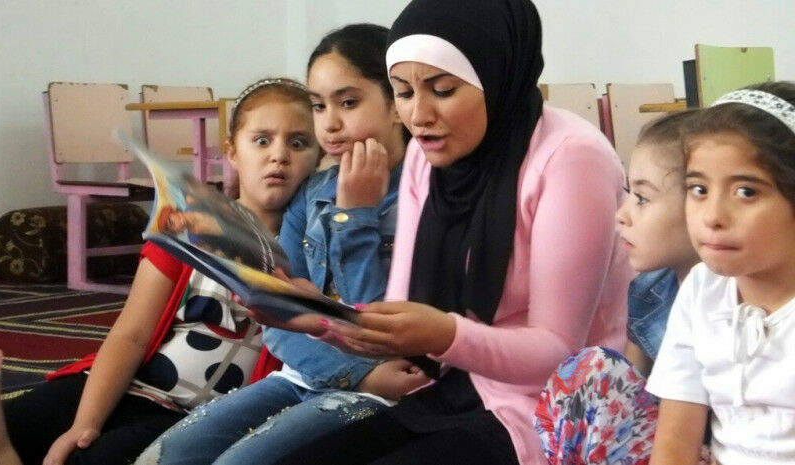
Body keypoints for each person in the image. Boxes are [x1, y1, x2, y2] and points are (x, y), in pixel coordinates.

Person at [265, 1, 634, 464]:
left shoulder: (571, 158)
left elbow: (557, 353)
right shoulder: (427, 155)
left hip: (552, 412)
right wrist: (314, 318)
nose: (418, 116)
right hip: (451, 388)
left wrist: (443, 334)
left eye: (442, 90)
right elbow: (399, 316)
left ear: (496, 76)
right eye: (402, 92)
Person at [134, 24, 423, 465]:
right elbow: (278, 316)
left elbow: (380, 322)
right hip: (312, 374)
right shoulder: (311, 193)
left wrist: (356, 216)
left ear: (397, 103)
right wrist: (357, 374)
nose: (329, 122)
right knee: (164, 458)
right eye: (318, 105)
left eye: (348, 102)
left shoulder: (425, 195)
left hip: (393, 392)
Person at [0, 77, 320, 465]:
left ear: (319, 157)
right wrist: (85, 424)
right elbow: (132, 334)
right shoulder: (188, 226)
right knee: (20, 421)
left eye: (299, 143)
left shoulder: (315, 248)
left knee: (99, 460)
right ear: (232, 152)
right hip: (130, 384)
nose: (279, 155)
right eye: (262, 140)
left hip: (194, 418)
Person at [534, 110, 710, 465]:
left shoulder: (740, 300)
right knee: (591, 370)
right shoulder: (648, 290)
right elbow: (631, 388)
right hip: (665, 444)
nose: (622, 214)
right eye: (629, 192)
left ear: (702, 202)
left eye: (642, 199)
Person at [647, 81, 795, 465]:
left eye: (746, 192)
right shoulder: (702, 287)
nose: (712, 217)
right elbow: (677, 436)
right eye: (698, 189)